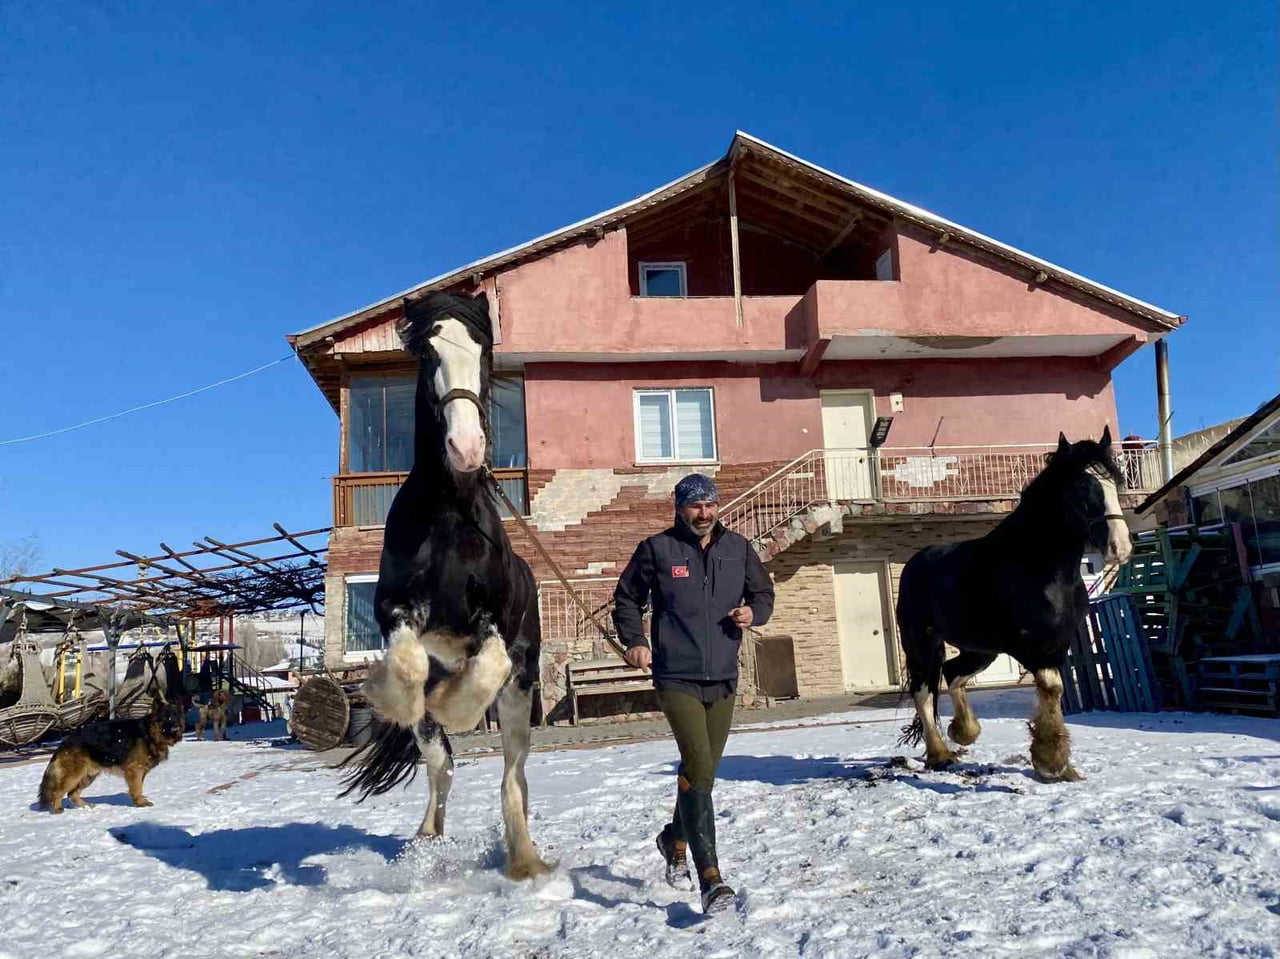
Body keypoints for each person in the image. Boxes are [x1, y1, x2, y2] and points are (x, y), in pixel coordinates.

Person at [612, 473, 775, 914]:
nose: (704, 514)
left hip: (722, 676)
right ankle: (711, 878)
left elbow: (764, 592)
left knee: (701, 771)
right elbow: (626, 599)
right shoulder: (658, 549)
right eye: (695, 506)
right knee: (700, 765)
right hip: (675, 676)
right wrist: (635, 640)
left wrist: (753, 612)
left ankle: (673, 838)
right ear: (679, 509)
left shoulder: (737, 548)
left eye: (710, 505)